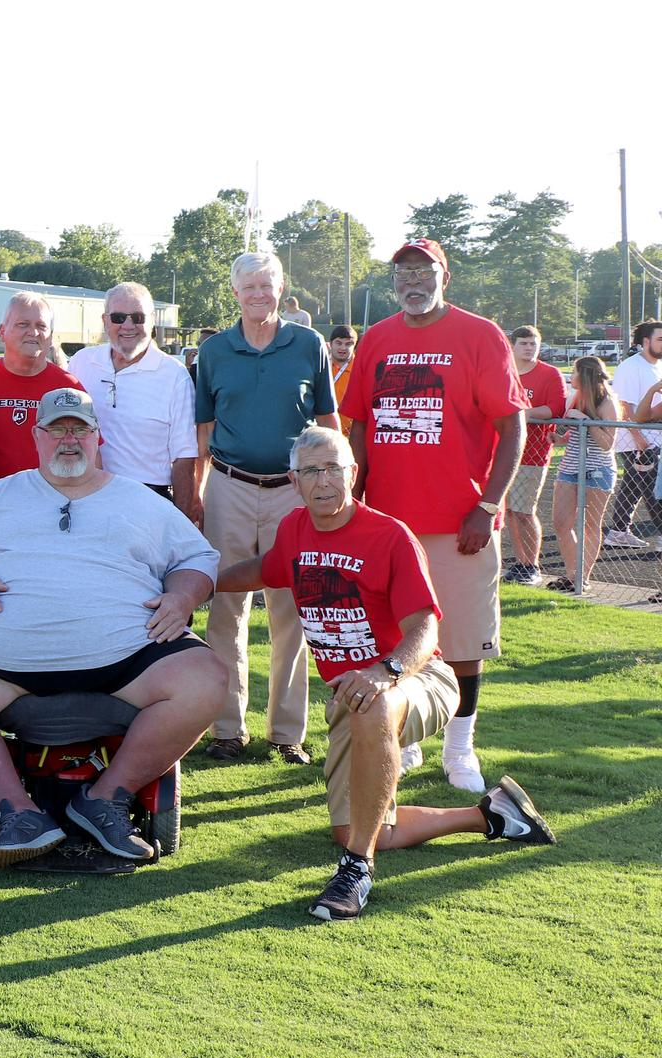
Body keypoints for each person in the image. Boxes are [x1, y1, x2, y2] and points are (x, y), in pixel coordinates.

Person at [216, 426, 554, 921]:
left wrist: (386, 670)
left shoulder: (389, 535)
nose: (324, 480)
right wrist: (198, 583)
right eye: (312, 470)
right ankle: (492, 815)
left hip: (419, 679)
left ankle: (355, 872)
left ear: (353, 473)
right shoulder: (293, 530)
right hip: (354, 697)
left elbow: (425, 627)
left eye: (334, 467)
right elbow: (268, 568)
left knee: (372, 712)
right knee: (369, 826)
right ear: (294, 480)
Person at [0, 387, 225, 867]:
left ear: (99, 437)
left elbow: (197, 557)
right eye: (57, 428)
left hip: (127, 664)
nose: (68, 439)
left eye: (79, 428)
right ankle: (17, 812)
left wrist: (182, 596)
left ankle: (106, 799)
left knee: (206, 678)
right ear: (37, 436)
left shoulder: (141, 500)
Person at [340, 238, 527, 794]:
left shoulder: (480, 334)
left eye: (423, 270)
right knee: (394, 637)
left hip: (459, 523)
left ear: (445, 275)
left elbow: (512, 426)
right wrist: (360, 500)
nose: (412, 281)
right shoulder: (377, 338)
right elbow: (359, 426)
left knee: (464, 640)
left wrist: (487, 505)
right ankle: (411, 728)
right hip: (389, 525)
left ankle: (460, 744)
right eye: (403, 272)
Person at [191, 252, 338, 764]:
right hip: (228, 487)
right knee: (226, 609)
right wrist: (195, 496)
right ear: (235, 292)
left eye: (267, 285)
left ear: (281, 288)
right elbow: (203, 433)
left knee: (292, 610)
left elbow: (328, 423)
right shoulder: (214, 351)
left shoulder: (308, 345)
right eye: (249, 286)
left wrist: (332, 487)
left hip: (292, 492)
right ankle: (227, 729)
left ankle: (286, 732)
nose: (259, 294)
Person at [68, 283, 199, 519]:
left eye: (137, 317)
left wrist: (182, 523)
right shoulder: (81, 363)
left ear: (151, 321)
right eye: (118, 317)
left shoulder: (174, 375)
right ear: (105, 320)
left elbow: (184, 458)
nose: (128, 326)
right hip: (85, 497)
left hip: (148, 500)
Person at [0, 290, 85, 490]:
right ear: (2, 331)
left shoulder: (69, 388)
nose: (33, 332)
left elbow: (89, 453)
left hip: (47, 507)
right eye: (23, 324)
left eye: (41, 326)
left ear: (50, 337)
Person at [503, 326, 567, 585]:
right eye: (524, 343)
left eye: (533, 343)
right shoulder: (505, 370)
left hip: (533, 452)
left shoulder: (549, 374)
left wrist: (521, 413)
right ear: (513, 346)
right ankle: (520, 562)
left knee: (524, 511)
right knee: (509, 511)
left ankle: (533, 565)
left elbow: (555, 408)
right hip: (503, 451)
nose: (529, 348)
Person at [550, 356, 619, 593]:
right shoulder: (576, 397)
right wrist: (559, 439)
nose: (571, 375)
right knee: (561, 523)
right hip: (570, 467)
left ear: (585, 375)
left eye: (574, 371)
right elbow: (572, 435)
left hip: (598, 470)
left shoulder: (606, 402)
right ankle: (572, 575)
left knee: (591, 526)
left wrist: (587, 421)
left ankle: (582, 578)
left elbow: (607, 444)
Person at [605, 320, 662, 549]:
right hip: (637, 441)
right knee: (654, 490)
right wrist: (639, 439)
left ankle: (618, 531)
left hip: (652, 437)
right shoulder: (631, 366)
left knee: (632, 486)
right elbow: (624, 404)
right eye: (660, 339)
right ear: (645, 341)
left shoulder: (657, 366)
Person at [329, 326, 358, 434]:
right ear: (331, 344)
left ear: (354, 346)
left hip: (351, 434)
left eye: (348, 344)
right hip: (323, 432)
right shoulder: (320, 365)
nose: (343, 348)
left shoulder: (360, 369)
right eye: (338, 343)